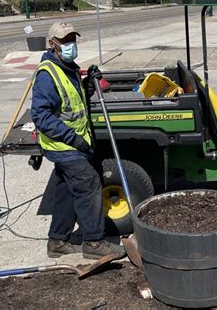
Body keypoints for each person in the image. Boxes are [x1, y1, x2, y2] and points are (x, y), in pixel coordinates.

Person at [31, 22, 126, 260]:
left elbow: (71, 100)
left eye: (73, 39)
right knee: (89, 184)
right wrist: (73, 139)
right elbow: (41, 116)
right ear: (52, 44)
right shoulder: (47, 73)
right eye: (65, 41)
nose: (70, 45)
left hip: (73, 143)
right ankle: (94, 243)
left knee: (66, 190)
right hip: (64, 145)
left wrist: (88, 82)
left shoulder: (67, 67)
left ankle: (57, 241)